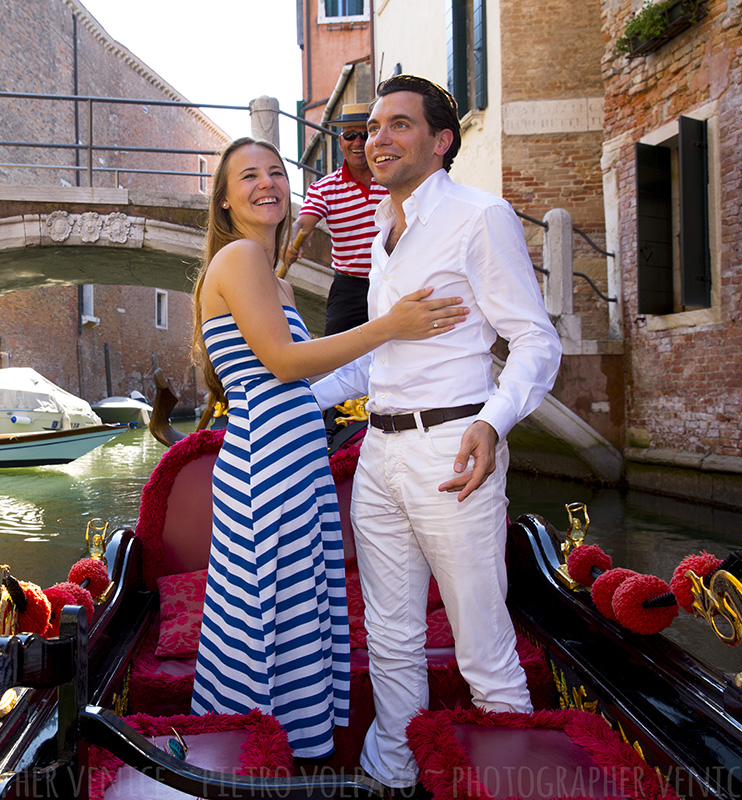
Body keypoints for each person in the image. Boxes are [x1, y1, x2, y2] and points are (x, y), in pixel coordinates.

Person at [311, 75, 562, 794]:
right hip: (381, 455)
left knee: (482, 647)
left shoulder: (480, 217)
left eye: (397, 126)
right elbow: (373, 363)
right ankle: (394, 774)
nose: (376, 141)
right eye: (372, 128)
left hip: (453, 452)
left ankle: (507, 781)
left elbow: (535, 342)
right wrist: (285, 399)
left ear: (440, 140)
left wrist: (493, 420)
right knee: (390, 640)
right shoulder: (384, 231)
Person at [189, 136, 467, 759]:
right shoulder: (238, 260)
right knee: (263, 606)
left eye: (276, 172)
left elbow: (306, 376)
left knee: (294, 608)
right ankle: (240, 754)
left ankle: (284, 748)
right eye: (249, 177)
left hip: (296, 456)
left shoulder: (274, 281)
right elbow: (285, 363)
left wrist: (398, 356)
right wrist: (390, 327)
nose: (268, 184)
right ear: (227, 201)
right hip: (266, 458)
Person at [283, 103, 387, 336]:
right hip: (350, 287)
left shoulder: (394, 178)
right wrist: (291, 240)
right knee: (335, 361)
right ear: (341, 142)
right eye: (350, 135)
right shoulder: (324, 189)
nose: (358, 142)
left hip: (395, 279)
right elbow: (303, 223)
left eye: (365, 134)